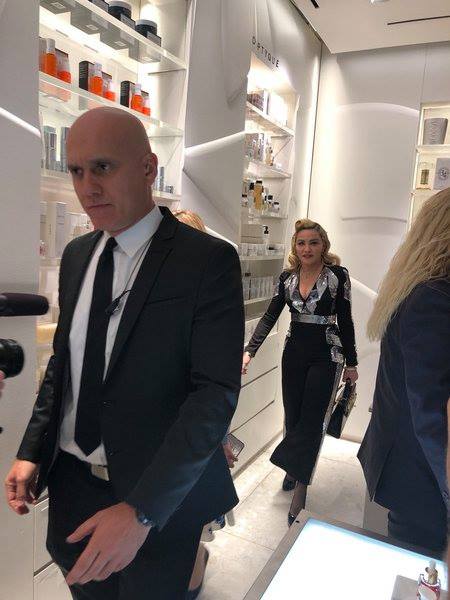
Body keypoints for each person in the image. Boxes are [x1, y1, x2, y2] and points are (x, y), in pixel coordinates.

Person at [4, 107, 244, 600]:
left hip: (157, 500)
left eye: (103, 167)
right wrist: (32, 450)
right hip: (73, 488)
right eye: (76, 170)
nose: (87, 186)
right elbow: (65, 368)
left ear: (148, 168)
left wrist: (143, 511)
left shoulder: (206, 260)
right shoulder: (78, 256)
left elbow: (214, 395)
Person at [242, 219, 358, 525]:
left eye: (313, 243)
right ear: (295, 246)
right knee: (292, 416)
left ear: (323, 246)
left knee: (312, 422)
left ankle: (301, 489)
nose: (307, 249)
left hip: (327, 354)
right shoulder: (287, 278)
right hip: (294, 354)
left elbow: (346, 320)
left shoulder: (337, 276)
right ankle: (293, 468)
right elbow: (269, 316)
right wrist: (249, 350)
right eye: (301, 243)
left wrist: (352, 363)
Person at [358, 189, 450, 555]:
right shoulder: (433, 297)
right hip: (422, 481)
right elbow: (430, 411)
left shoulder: (421, 291)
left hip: (416, 475)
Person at [173, 208, 238, 599]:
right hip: (164, 437)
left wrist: (219, 438)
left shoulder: (211, 302)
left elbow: (217, 388)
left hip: (197, 436)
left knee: (193, 525)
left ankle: (192, 585)